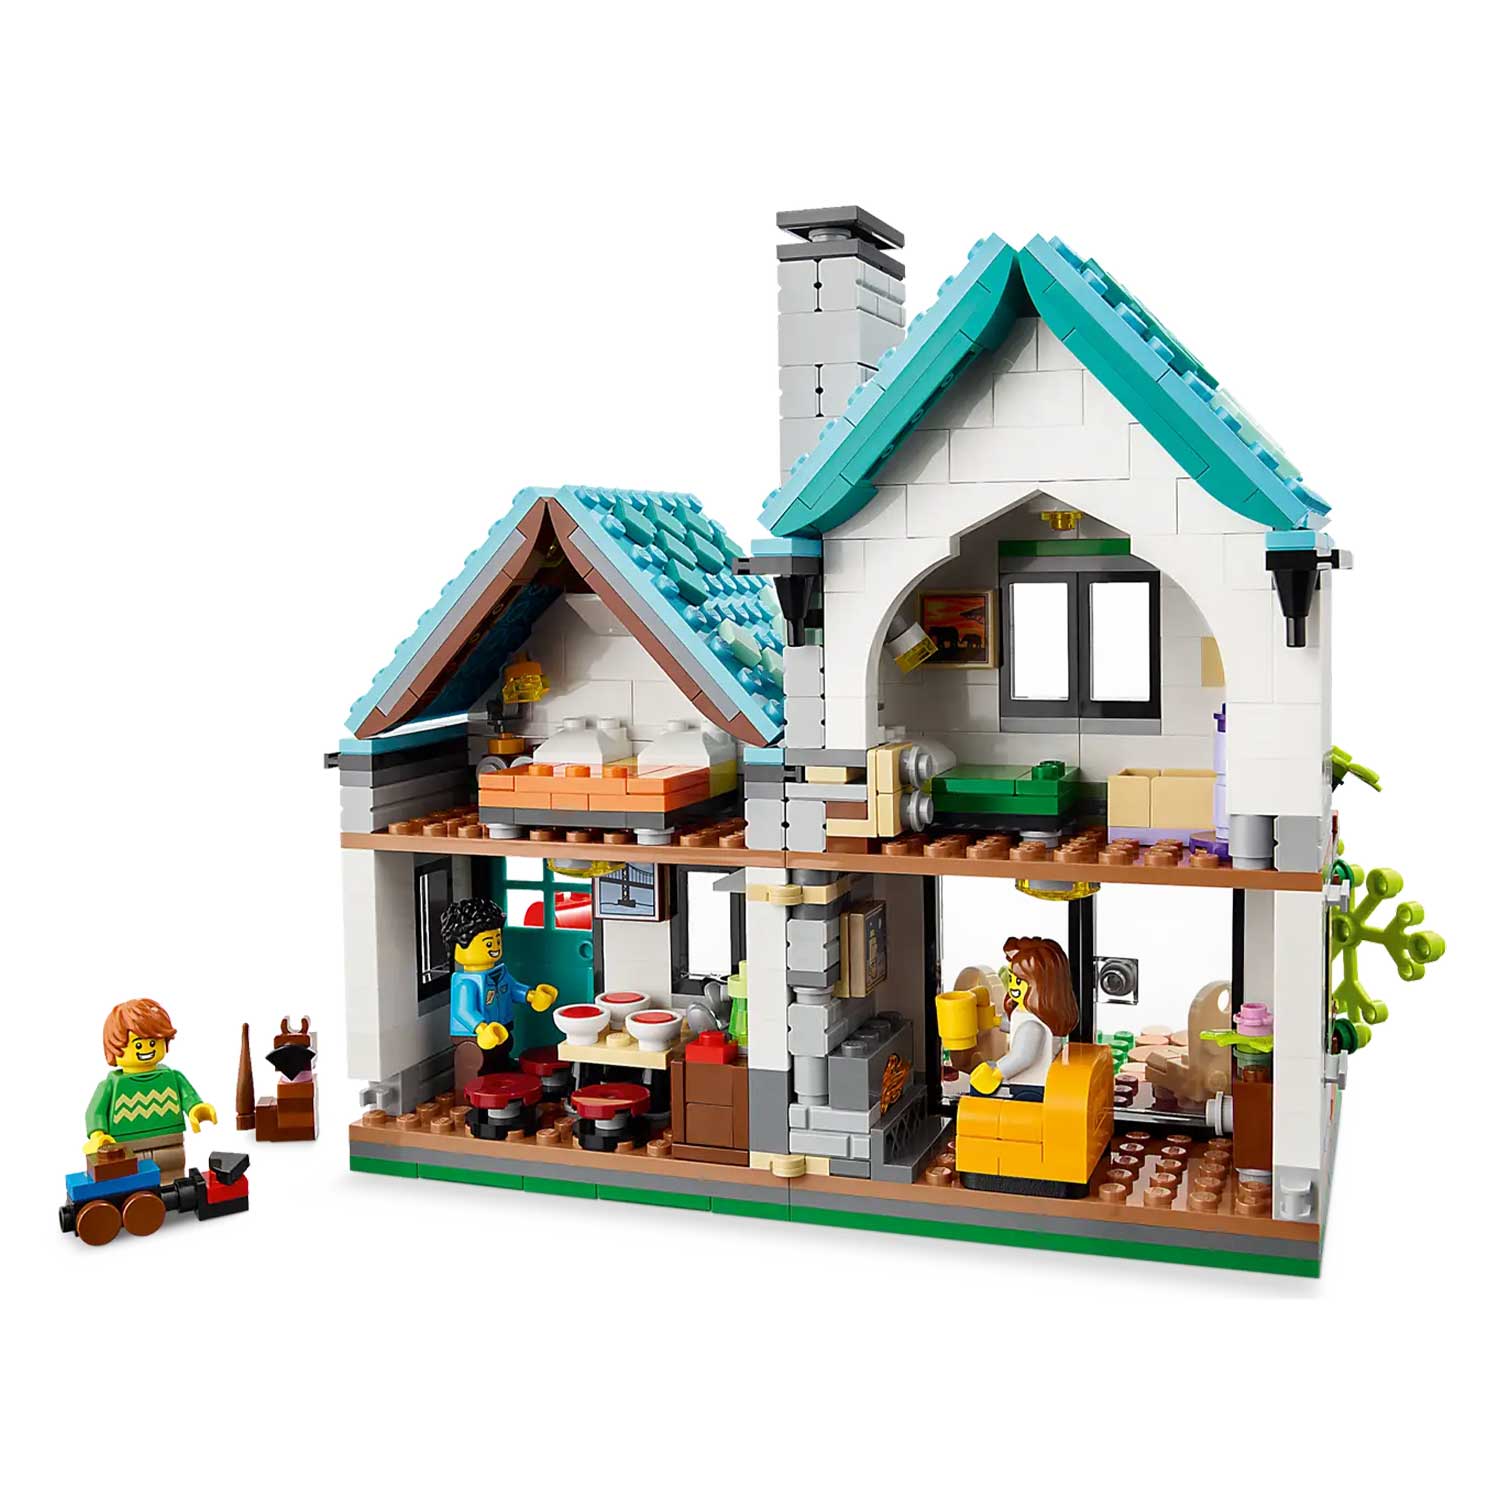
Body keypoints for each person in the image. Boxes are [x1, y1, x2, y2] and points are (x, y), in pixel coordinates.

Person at [84, 999, 217, 1180]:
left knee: (172, 1172)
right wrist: (98, 1134)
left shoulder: (172, 1076)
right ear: (115, 1047)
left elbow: (188, 1096)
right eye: (138, 1044)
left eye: (153, 1042)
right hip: (127, 1147)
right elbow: (95, 1112)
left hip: (170, 1141)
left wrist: (196, 1108)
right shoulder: (110, 1085)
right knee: (133, 1176)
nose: (147, 1049)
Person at [441, 897, 558, 1075]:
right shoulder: (466, 983)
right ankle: (481, 1086)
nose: (495, 947)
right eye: (489, 943)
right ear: (459, 946)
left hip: (502, 1028)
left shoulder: (499, 972)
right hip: (476, 1036)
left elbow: (512, 988)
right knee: (480, 1062)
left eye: (497, 940)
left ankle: (503, 1077)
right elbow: (464, 1012)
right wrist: (481, 1028)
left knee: (502, 1052)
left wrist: (531, 996)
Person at [969, 936, 1078, 1101]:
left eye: (1019, 981)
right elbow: (1016, 1027)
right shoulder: (1036, 1014)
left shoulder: (1032, 1026)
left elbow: (1022, 1057)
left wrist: (996, 1073)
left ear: (1042, 985)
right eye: (1011, 979)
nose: (1012, 986)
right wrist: (995, 1021)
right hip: (1038, 1081)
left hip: (1031, 1084)